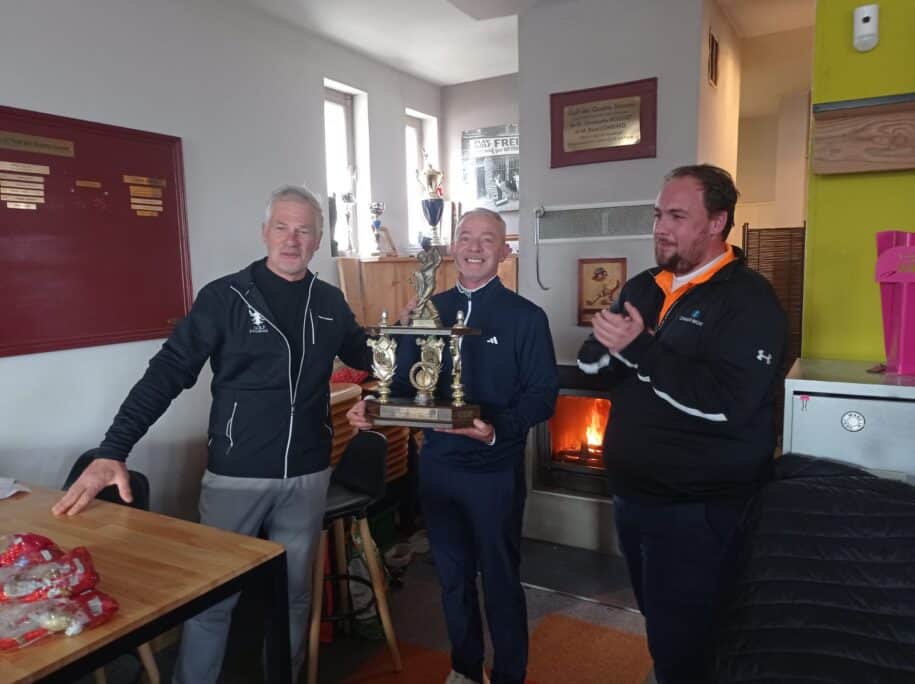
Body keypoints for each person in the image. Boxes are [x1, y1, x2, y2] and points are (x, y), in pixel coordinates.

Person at [53, 185, 370, 683]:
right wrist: (114, 448)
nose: (292, 239)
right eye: (282, 227)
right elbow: (167, 373)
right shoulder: (225, 297)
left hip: (308, 474)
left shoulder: (329, 301)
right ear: (265, 232)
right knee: (214, 601)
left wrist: (387, 385)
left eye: (304, 230)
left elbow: (372, 359)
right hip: (235, 477)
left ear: (318, 239)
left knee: (294, 596)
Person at [577, 164, 786, 683]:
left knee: (690, 640)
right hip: (633, 497)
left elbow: (727, 403)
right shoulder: (646, 285)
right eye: (657, 215)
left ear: (717, 222)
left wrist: (639, 350)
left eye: (676, 216)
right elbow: (598, 366)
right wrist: (604, 350)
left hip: (699, 510)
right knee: (663, 626)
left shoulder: (749, 299)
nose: (660, 228)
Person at [348, 209, 558, 684]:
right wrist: (372, 406)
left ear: (504, 251)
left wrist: (495, 428)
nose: (475, 247)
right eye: (465, 237)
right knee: (452, 578)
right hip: (438, 467)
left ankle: (509, 674)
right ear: (452, 247)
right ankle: (464, 668)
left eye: (487, 239)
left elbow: (543, 396)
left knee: (499, 579)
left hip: (494, 470)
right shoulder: (428, 310)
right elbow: (403, 382)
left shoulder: (527, 317)